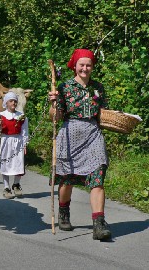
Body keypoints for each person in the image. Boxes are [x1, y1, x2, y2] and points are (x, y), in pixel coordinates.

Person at [48, 48, 111, 241]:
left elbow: (104, 113)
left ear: (92, 67)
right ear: (75, 66)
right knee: (67, 179)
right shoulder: (64, 87)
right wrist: (53, 104)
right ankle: (64, 211)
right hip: (70, 135)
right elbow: (55, 117)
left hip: (93, 134)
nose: (85, 68)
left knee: (97, 177)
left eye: (88, 65)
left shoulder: (98, 87)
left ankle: (99, 224)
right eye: (81, 65)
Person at [0, 91, 29, 199]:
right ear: (6, 103)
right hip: (5, 141)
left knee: (18, 163)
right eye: (11, 101)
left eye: (15, 101)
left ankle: (16, 185)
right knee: (6, 164)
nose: (13, 103)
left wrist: (25, 144)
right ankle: (6, 187)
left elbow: (25, 132)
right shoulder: (1, 115)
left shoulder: (21, 116)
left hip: (17, 142)